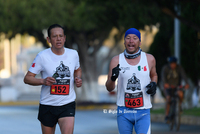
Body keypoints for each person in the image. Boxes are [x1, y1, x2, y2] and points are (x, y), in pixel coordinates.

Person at [24, 24, 82, 134]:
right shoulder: (42, 56)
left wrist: (77, 78)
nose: (58, 39)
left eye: (61, 36)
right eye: (55, 36)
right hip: (47, 105)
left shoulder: (73, 54)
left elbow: (77, 69)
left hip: (67, 104)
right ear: (49, 39)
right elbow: (27, 78)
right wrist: (43, 81)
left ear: (65, 38)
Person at [105, 28, 158, 134]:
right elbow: (109, 87)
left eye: (135, 38)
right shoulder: (116, 60)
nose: (131, 41)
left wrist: (154, 84)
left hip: (143, 111)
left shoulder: (149, 59)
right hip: (124, 111)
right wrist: (113, 78)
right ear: (124, 42)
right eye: (128, 38)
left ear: (140, 42)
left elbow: (154, 75)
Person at [161, 56, 189, 122]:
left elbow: (183, 75)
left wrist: (187, 83)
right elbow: (163, 77)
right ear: (169, 63)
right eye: (171, 63)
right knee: (168, 99)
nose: (173, 65)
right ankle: (167, 115)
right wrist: (165, 83)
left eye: (174, 63)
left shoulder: (179, 68)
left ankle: (179, 106)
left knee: (181, 94)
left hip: (177, 86)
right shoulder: (165, 68)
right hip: (168, 87)